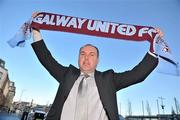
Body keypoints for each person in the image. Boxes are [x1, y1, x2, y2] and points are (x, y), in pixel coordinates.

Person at [31, 14, 163, 120]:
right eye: (82, 54)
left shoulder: (108, 79)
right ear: (78, 58)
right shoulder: (67, 74)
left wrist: (154, 46)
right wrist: (36, 29)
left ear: (97, 60)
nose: (86, 58)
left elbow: (137, 74)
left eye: (91, 54)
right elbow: (46, 59)